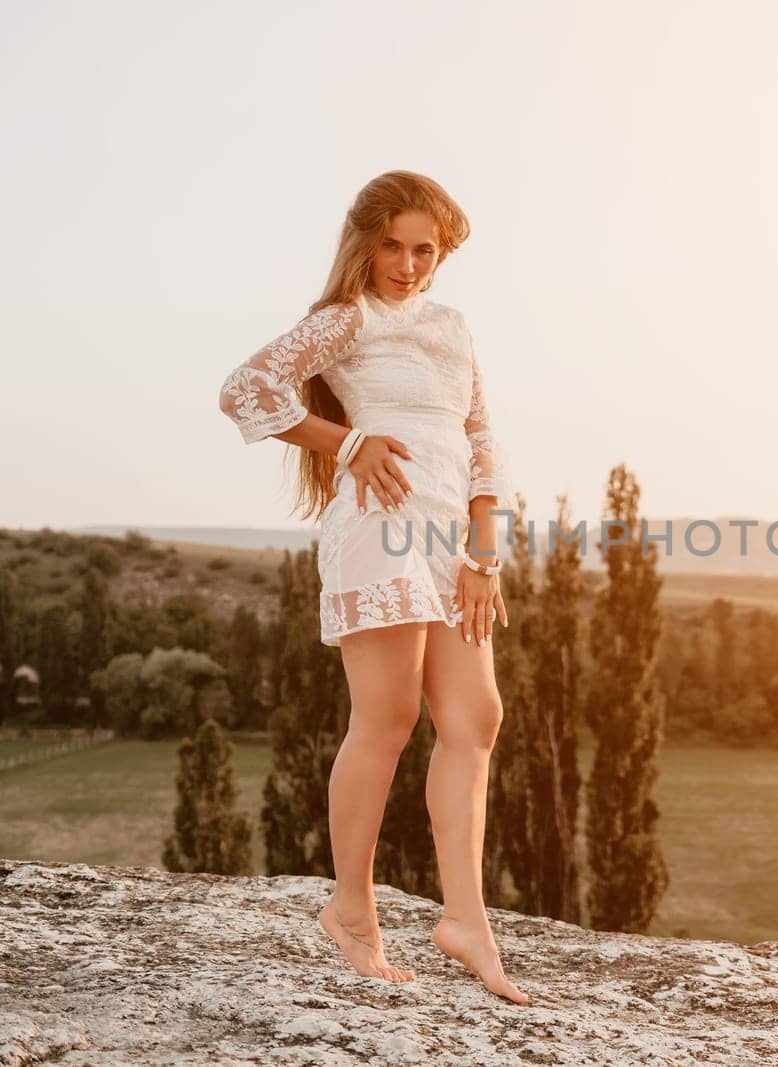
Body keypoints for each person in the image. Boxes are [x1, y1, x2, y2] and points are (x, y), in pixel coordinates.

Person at [217, 170, 528, 1005]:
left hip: (450, 543)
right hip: (378, 532)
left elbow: (482, 437)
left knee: (477, 718)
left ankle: (464, 918)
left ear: (443, 253)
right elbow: (244, 390)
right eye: (392, 245)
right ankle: (351, 909)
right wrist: (345, 443)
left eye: (424, 249)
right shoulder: (347, 319)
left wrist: (483, 551)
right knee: (387, 721)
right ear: (366, 243)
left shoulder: (452, 326)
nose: (407, 263)